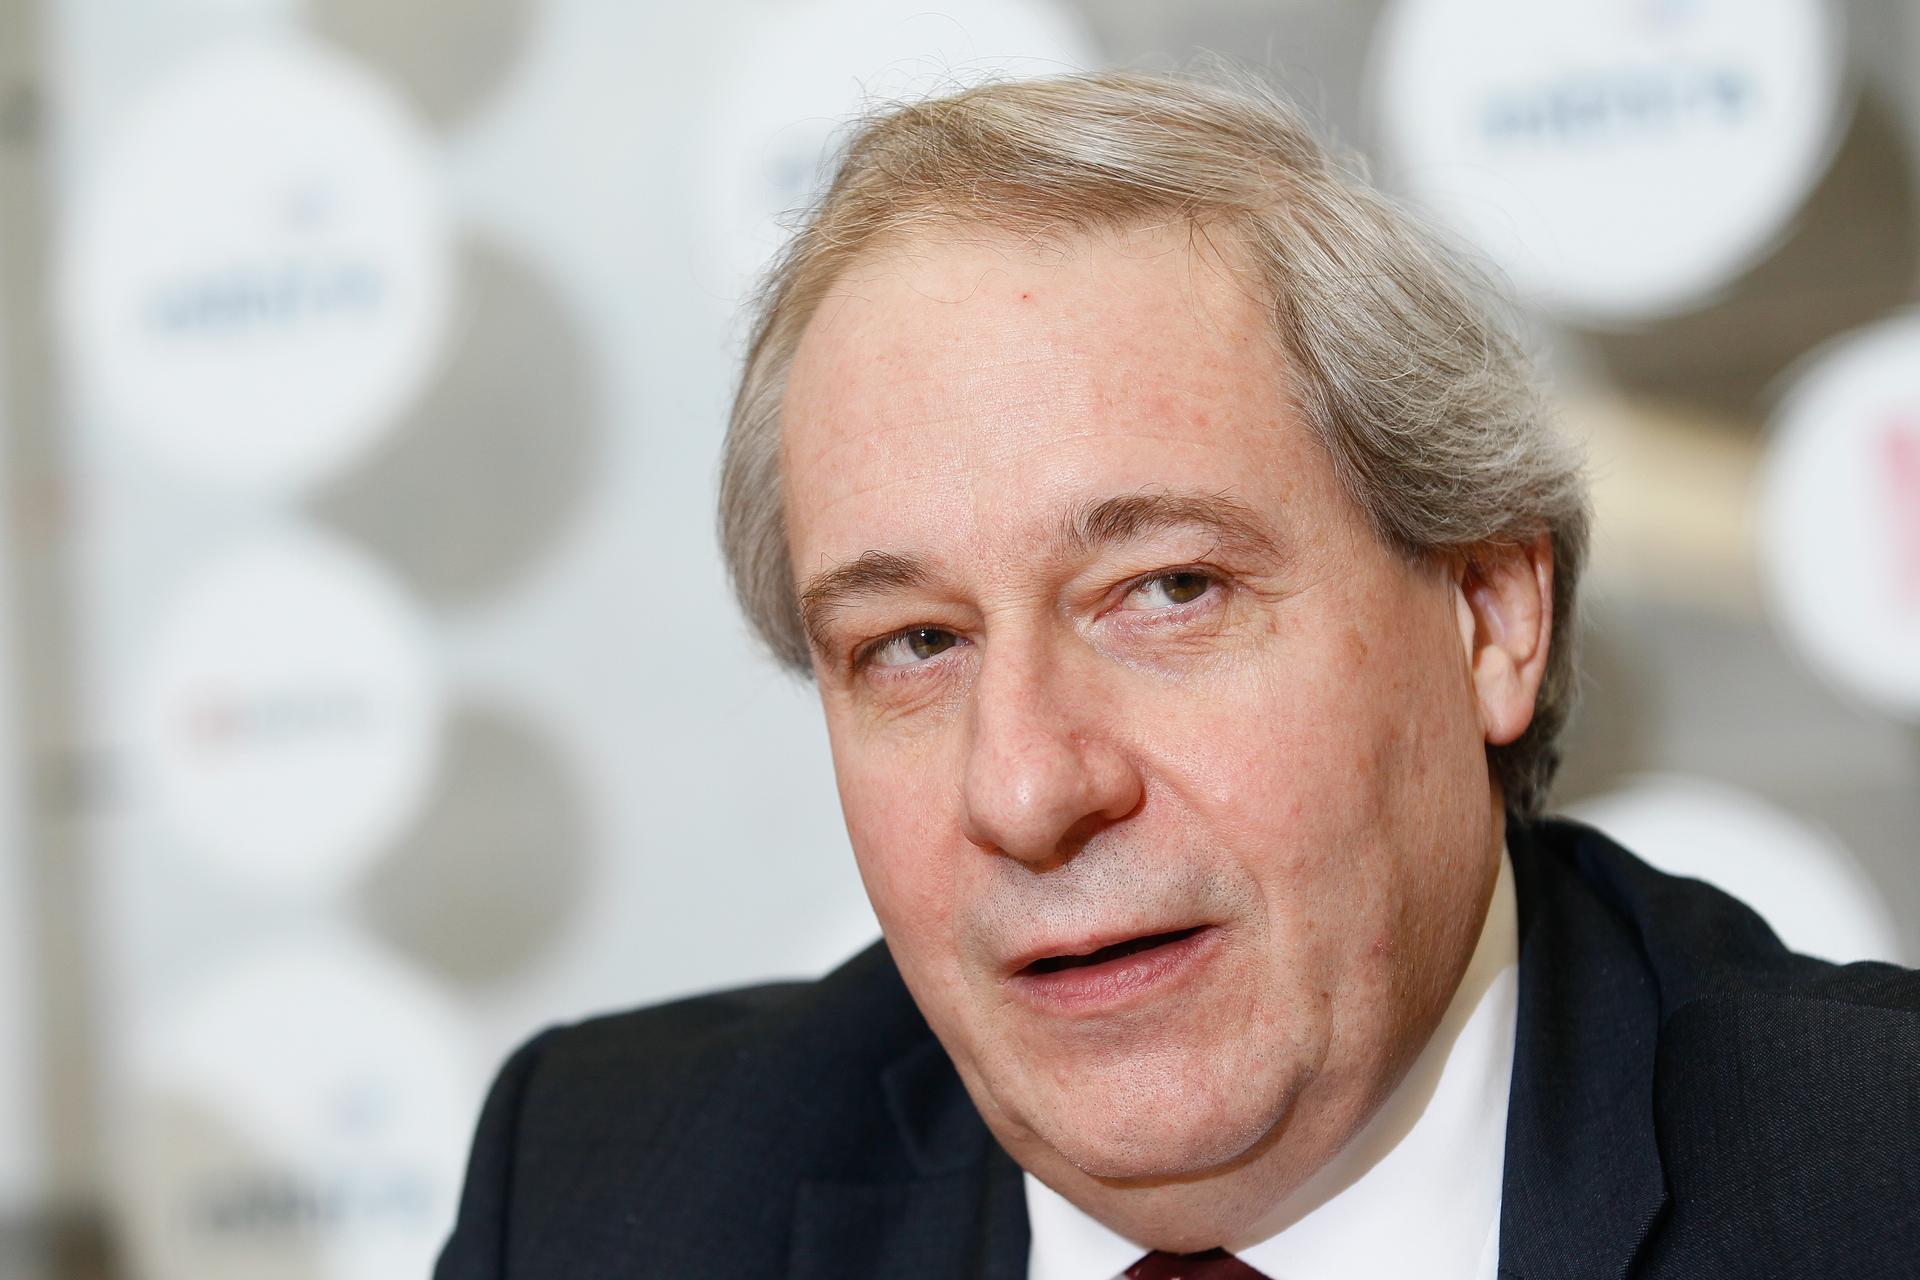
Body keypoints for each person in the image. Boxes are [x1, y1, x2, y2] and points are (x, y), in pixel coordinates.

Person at [434, 70, 1919, 1280]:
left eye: (1168, 591)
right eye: (916, 643)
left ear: (1487, 615)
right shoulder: (598, 1199)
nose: (1026, 785)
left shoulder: (1876, 1183)